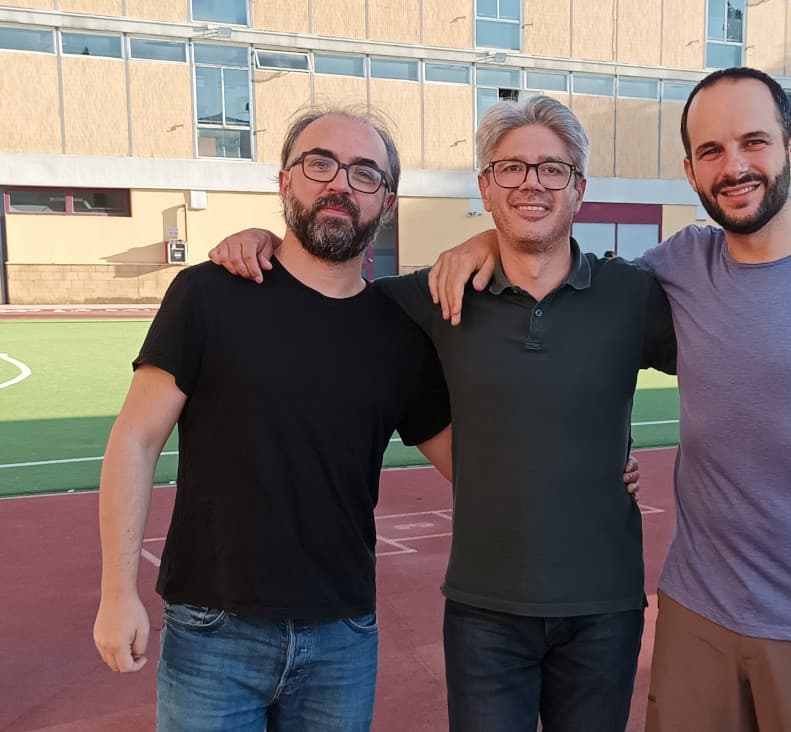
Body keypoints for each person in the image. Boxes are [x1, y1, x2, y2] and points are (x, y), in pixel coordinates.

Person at [428, 67, 791, 732]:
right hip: (695, 617)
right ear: (690, 170)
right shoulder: (680, 265)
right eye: (711, 151)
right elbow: (568, 286)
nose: (734, 167)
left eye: (753, 142)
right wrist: (490, 238)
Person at [209, 95, 672, 732]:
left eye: (552, 169)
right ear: (485, 186)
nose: (532, 183)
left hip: (606, 608)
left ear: (579, 188)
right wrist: (261, 240)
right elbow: (327, 284)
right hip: (485, 614)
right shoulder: (432, 296)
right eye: (511, 169)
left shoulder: (634, 295)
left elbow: (733, 359)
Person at [92, 105, 455, 731]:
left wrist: (596, 472)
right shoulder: (209, 294)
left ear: (387, 203)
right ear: (285, 181)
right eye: (320, 164)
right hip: (213, 629)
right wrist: (117, 592)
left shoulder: (400, 334)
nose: (340, 183)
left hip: (342, 635)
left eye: (365, 173)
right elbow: (136, 439)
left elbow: (471, 465)